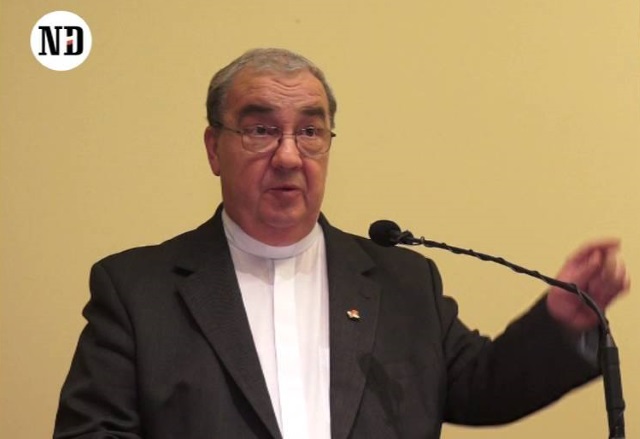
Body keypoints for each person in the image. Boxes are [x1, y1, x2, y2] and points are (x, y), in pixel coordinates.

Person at [54, 48, 629, 439]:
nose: (288, 155)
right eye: (260, 130)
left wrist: (560, 322)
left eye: (309, 131)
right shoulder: (137, 291)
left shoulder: (403, 282)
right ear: (213, 148)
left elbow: (483, 390)